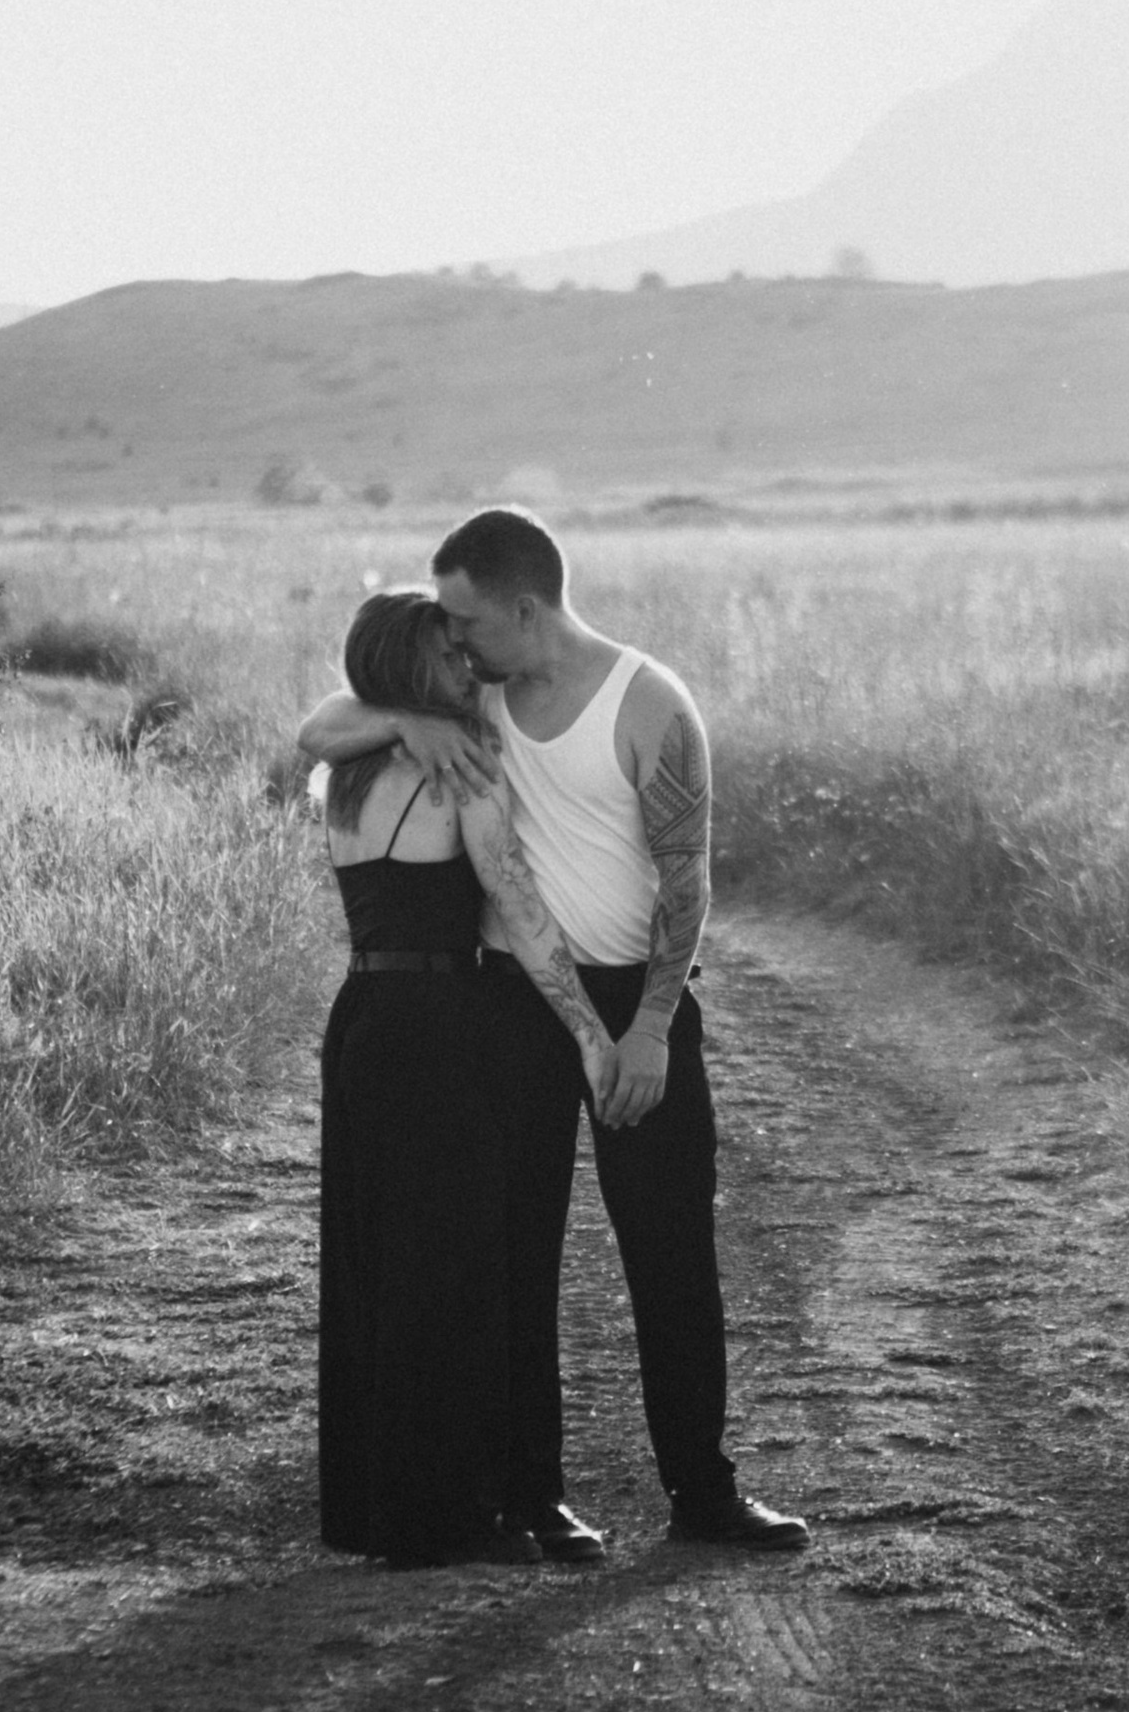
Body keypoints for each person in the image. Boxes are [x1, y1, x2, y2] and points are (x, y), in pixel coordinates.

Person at [300, 510, 808, 1563]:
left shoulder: (647, 703)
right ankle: (530, 1493)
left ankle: (702, 1494)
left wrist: (654, 1027)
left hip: (643, 1004)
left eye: (464, 616)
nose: (452, 634)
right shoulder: (466, 689)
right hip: (510, 1008)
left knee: (668, 1251)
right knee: (513, 1260)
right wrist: (410, 724)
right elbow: (316, 725)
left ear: (522, 608)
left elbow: (689, 882)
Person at [316, 586, 621, 1569]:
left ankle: (396, 1510)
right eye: (450, 660)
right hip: (440, 1026)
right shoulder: (462, 772)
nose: (468, 670)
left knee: (387, 1269)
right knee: (458, 1274)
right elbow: (522, 916)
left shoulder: (347, 772)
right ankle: (452, 1514)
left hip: (362, 1016)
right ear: (415, 670)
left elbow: (324, 725)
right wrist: (589, 1032)